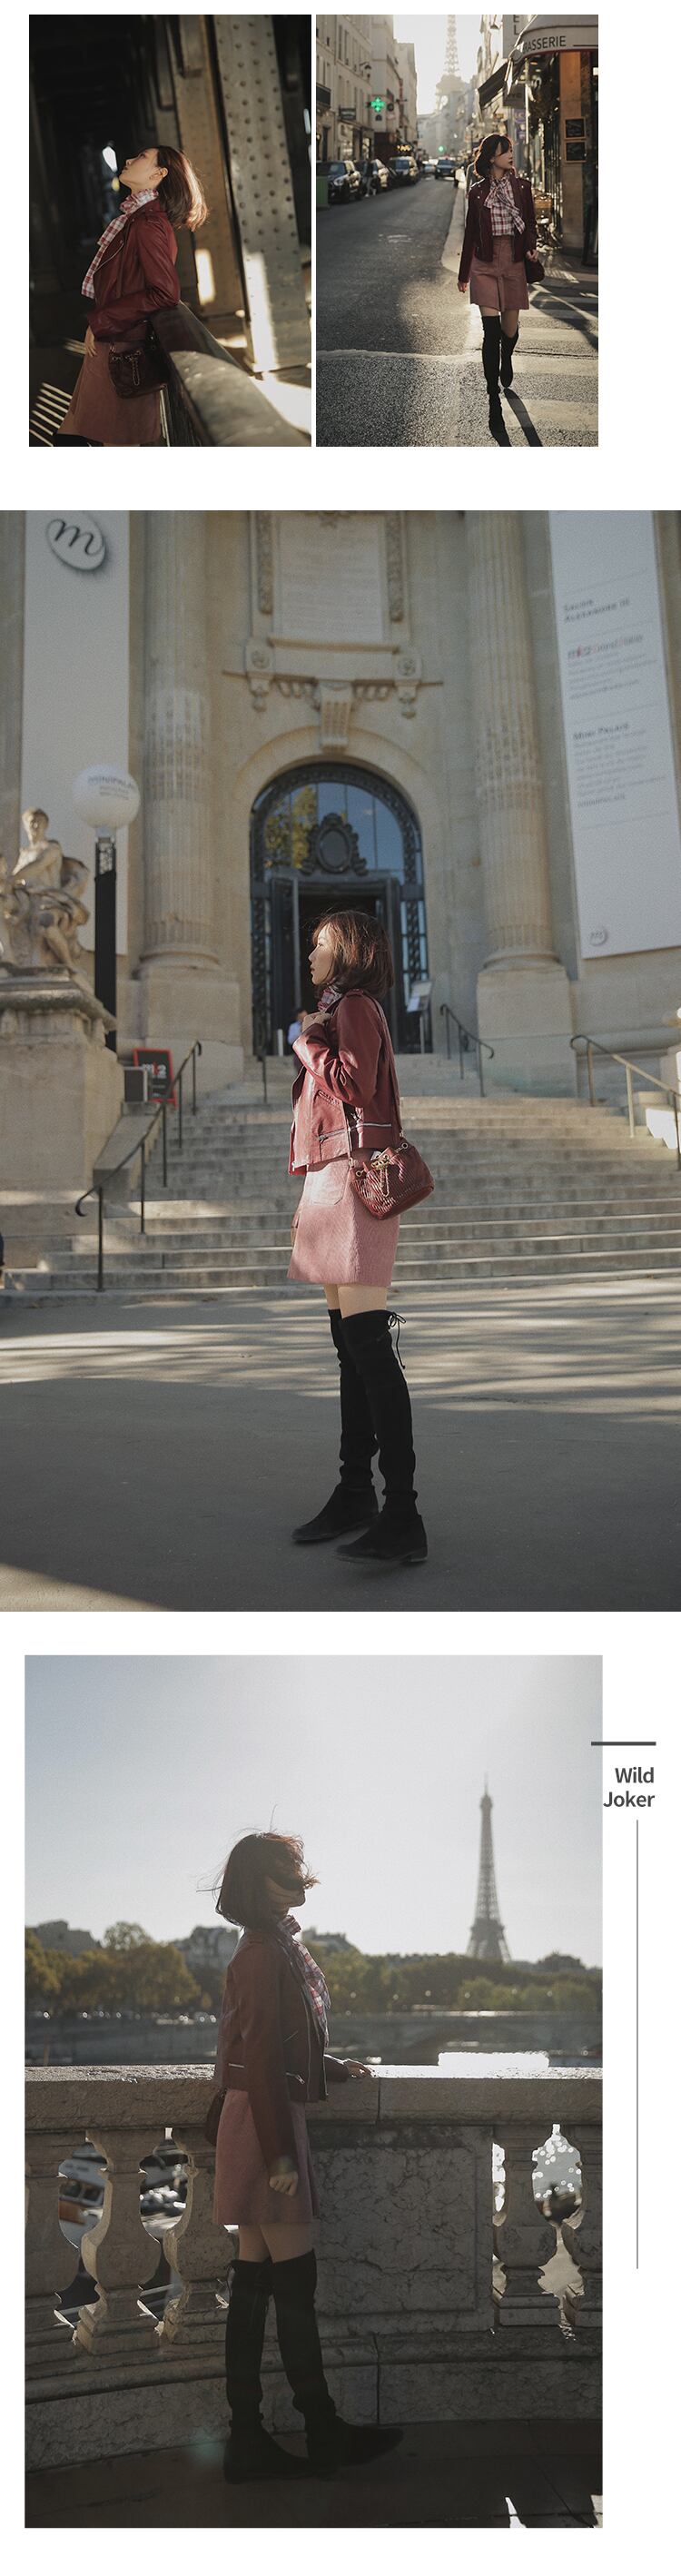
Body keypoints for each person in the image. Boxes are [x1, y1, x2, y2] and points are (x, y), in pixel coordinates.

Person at [211, 1830, 403, 2482]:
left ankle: (247, 2438)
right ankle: (321, 2431)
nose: (299, 1880)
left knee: (256, 2279)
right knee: (295, 2286)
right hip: (266, 2123)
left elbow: (273, 2044)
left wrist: (334, 2068)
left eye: (298, 1870)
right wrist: (281, 2157)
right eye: (286, 1872)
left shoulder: (269, 1946)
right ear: (257, 1883)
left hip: (258, 2114)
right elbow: (264, 2056)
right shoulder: (265, 1952)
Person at [287, 909, 427, 1566]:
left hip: (354, 1179)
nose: (310, 954)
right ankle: (354, 1492)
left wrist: (307, 1040)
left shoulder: (354, 1007)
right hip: (328, 1179)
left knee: (369, 1348)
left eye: (319, 945)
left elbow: (355, 1084)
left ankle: (402, 1512)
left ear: (345, 951)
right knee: (350, 1349)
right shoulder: (335, 1010)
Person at [56, 143, 207, 448]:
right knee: (71, 435)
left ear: (159, 174)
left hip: (123, 351)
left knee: (107, 442)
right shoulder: (136, 218)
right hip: (113, 344)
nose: (128, 159)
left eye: (141, 157)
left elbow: (164, 292)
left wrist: (101, 320)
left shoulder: (148, 223)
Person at [457, 131, 538, 441]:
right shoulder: (477, 192)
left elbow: (530, 225)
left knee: (508, 331)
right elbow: (470, 233)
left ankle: (508, 355)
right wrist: (464, 273)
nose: (511, 155)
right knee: (490, 332)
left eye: (511, 150)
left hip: (513, 261)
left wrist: (531, 248)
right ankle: (493, 399)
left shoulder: (522, 188)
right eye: (505, 151)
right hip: (484, 262)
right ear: (492, 157)